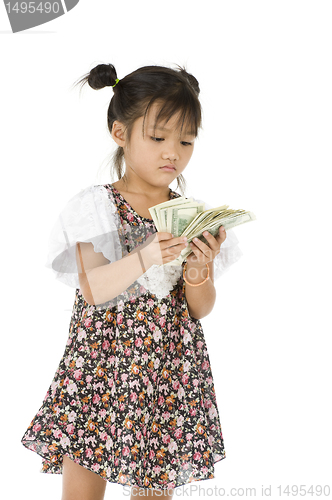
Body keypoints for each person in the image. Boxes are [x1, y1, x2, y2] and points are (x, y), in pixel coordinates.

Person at [21, 63, 243, 500]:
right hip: (100, 369)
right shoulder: (97, 205)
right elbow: (94, 289)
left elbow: (199, 309)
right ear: (120, 133)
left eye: (186, 140)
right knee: (83, 490)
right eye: (158, 138)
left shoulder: (190, 213)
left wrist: (199, 267)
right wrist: (145, 254)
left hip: (168, 371)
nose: (173, 153)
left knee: (155, 491)